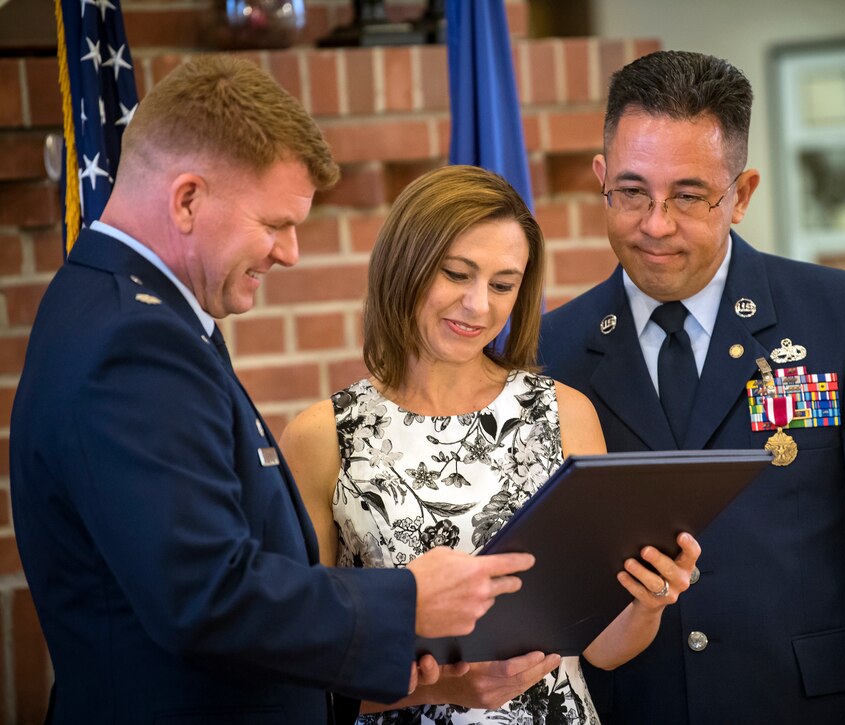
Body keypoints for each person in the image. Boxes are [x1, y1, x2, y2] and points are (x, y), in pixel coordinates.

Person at [9, 56, 538, 724]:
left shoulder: (127, 307)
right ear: (187, 198)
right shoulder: (135, 342)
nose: (289, 252)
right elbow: (206, 598)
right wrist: (407, 599)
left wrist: (431, 685)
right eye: (274, 223)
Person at [538, 50, 845, 724]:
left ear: (740, 194)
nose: (655, 224)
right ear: (600, 180)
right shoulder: (551, 350)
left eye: (687, 195)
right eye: (631, 192)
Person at [280, 164, 702, 724]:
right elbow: (299, 668)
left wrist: (649, 602)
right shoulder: (322, 436)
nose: (479, 305)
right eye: (457, 274)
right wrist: (445, 691)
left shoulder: (564, 413)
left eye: (503, 285)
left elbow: (601, 646)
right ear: (404, 267)